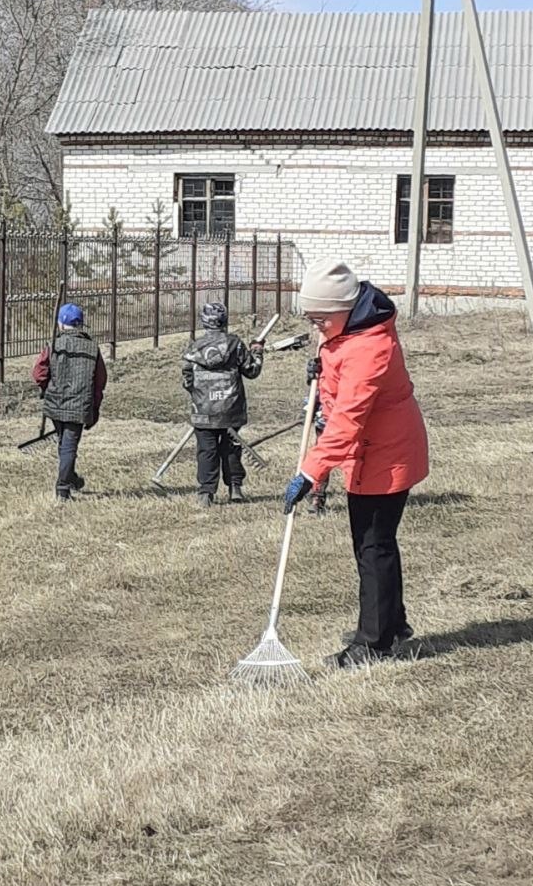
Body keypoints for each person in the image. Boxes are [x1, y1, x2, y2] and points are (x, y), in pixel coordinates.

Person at [282, 260, 428, 667]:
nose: (316, 327)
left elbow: (348, 418)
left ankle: (374, 644)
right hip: (374, 449)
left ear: (343, 310)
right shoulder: (350, 330)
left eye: (320, 319)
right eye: (310, 319)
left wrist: (311, 472)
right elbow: (337, 367)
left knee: (372, 545)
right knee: (375, 542)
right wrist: (323, 366)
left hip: (386, 452)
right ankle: (390, 625)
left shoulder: (371, 346)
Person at [182, 302, 264, 508]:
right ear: (224, 321)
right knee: (231, 449)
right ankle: (235, 488)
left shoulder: (194, 347)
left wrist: (199, 394)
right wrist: (257, 352)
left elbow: (187, 380)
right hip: (230, 407)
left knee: (206, 450)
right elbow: (252, 371)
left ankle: (206, 493)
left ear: (204, 321)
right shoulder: (235, 344)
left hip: (203, 409)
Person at [32, 303, 107, 501]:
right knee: (68, 445)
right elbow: (100, 380)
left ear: (62, 325)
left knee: (65, 444)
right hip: (80, 405)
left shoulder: (53, 345)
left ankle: (70, 478)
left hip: (56, 403)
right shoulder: (92, 347)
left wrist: (46, 387)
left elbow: (39, 373)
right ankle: (63, 488)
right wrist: (95, 405)